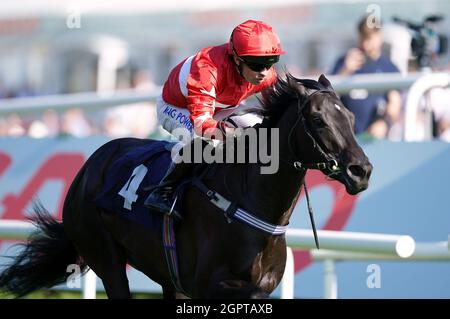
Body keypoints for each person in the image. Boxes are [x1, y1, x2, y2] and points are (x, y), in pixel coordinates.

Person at [144, 19, 285, 215]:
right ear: (236, 58)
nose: (263, 72)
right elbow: (203, 126)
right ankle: (163, 191)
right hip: (177, 107)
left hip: (220, 107)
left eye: (270, 63)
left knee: (259, 128)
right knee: (206, 141)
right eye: (256, 64)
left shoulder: (264, 74)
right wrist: (234, 134)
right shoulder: (207, 68)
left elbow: (280, 111)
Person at [331, 15, 402, 138]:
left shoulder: (389, 67)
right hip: (346, 139)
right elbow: (328, 97)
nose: (366, 44)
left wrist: (384, 123)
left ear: (380, 36)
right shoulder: (344, 62)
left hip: (376, 139)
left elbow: (395, 104)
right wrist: (345, 71)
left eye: (370, 37)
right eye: (363, 37)